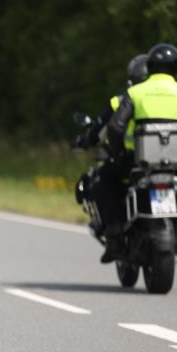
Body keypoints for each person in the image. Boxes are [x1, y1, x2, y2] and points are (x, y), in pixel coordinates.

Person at [102, 43, 177, 262]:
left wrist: (119, 153)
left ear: (149, 67)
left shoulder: (135, 92)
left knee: (106, 179)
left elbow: (115, 127)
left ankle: (113, 234)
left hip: (141, 161)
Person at [74, 54, 148, 238]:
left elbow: (101, 131)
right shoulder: (172, 98)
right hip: (168, 162)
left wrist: (85, 142)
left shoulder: (122, 100)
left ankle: (114, 231)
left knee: (101, 182)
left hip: (131, 159)